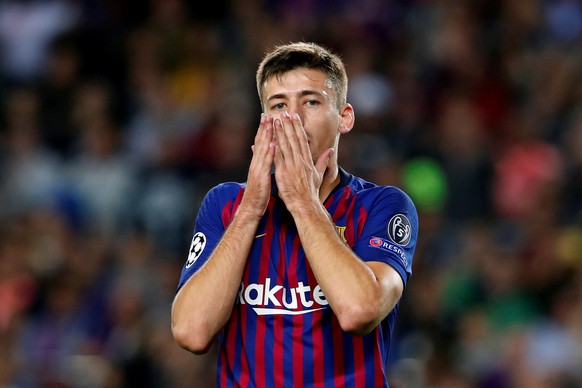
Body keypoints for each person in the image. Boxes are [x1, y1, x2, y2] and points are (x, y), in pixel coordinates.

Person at [171, 41, 418, 387]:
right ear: (263, 122)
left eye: (311, 101)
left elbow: (360, 311)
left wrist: (303, 201)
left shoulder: (382, 205)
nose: (294, 119)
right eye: (279, 105)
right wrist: (250, 210)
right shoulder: (225, 204)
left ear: (344, 117)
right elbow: (191, 332)